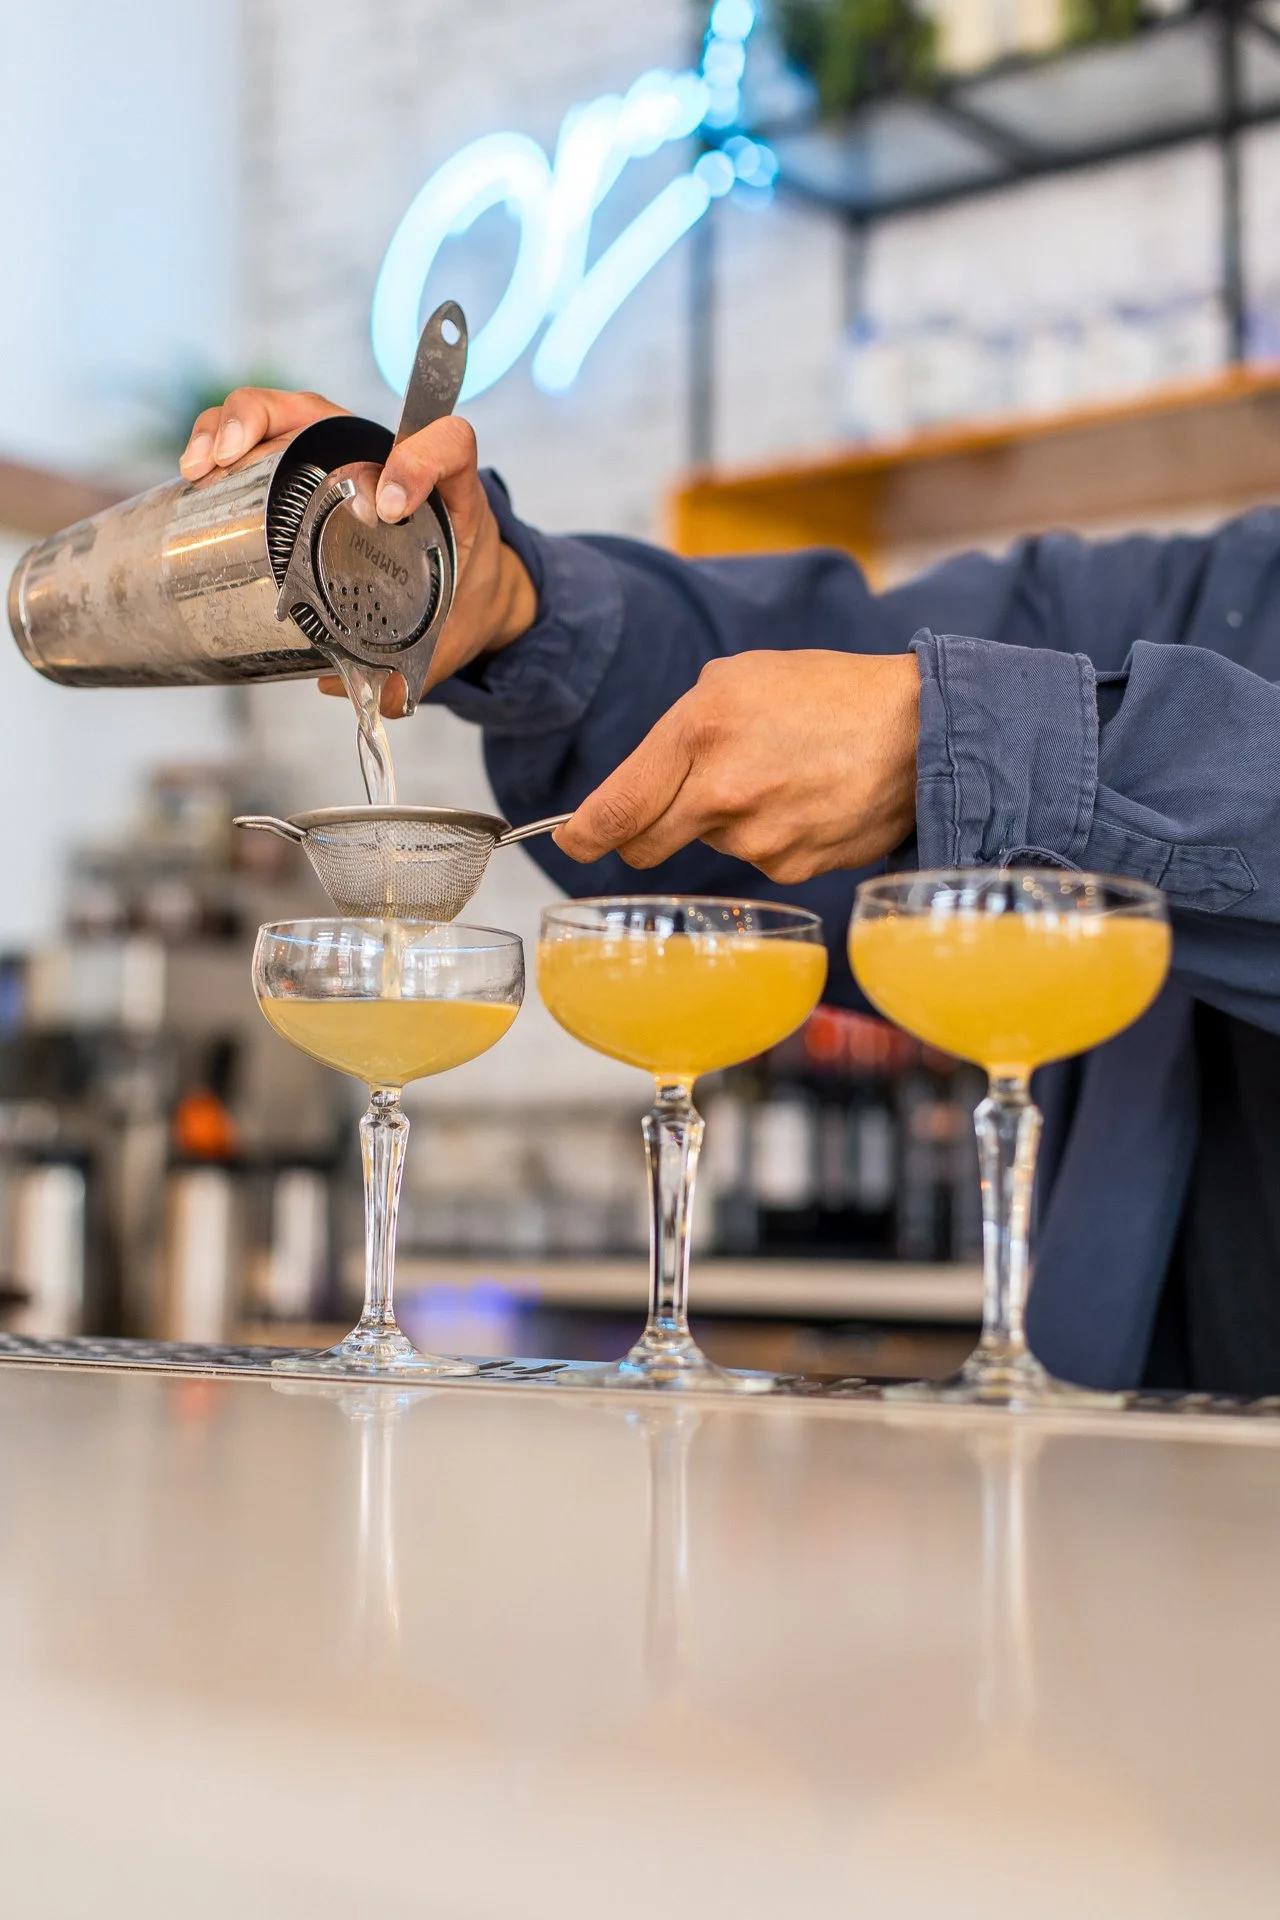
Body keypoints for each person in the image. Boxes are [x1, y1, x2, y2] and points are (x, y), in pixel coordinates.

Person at [181, 388, 1280, 1397]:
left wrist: (962, 736)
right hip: (1135, 1469)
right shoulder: (1217, 593)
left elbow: (948, 715)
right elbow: (793, 669)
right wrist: (514, 605)